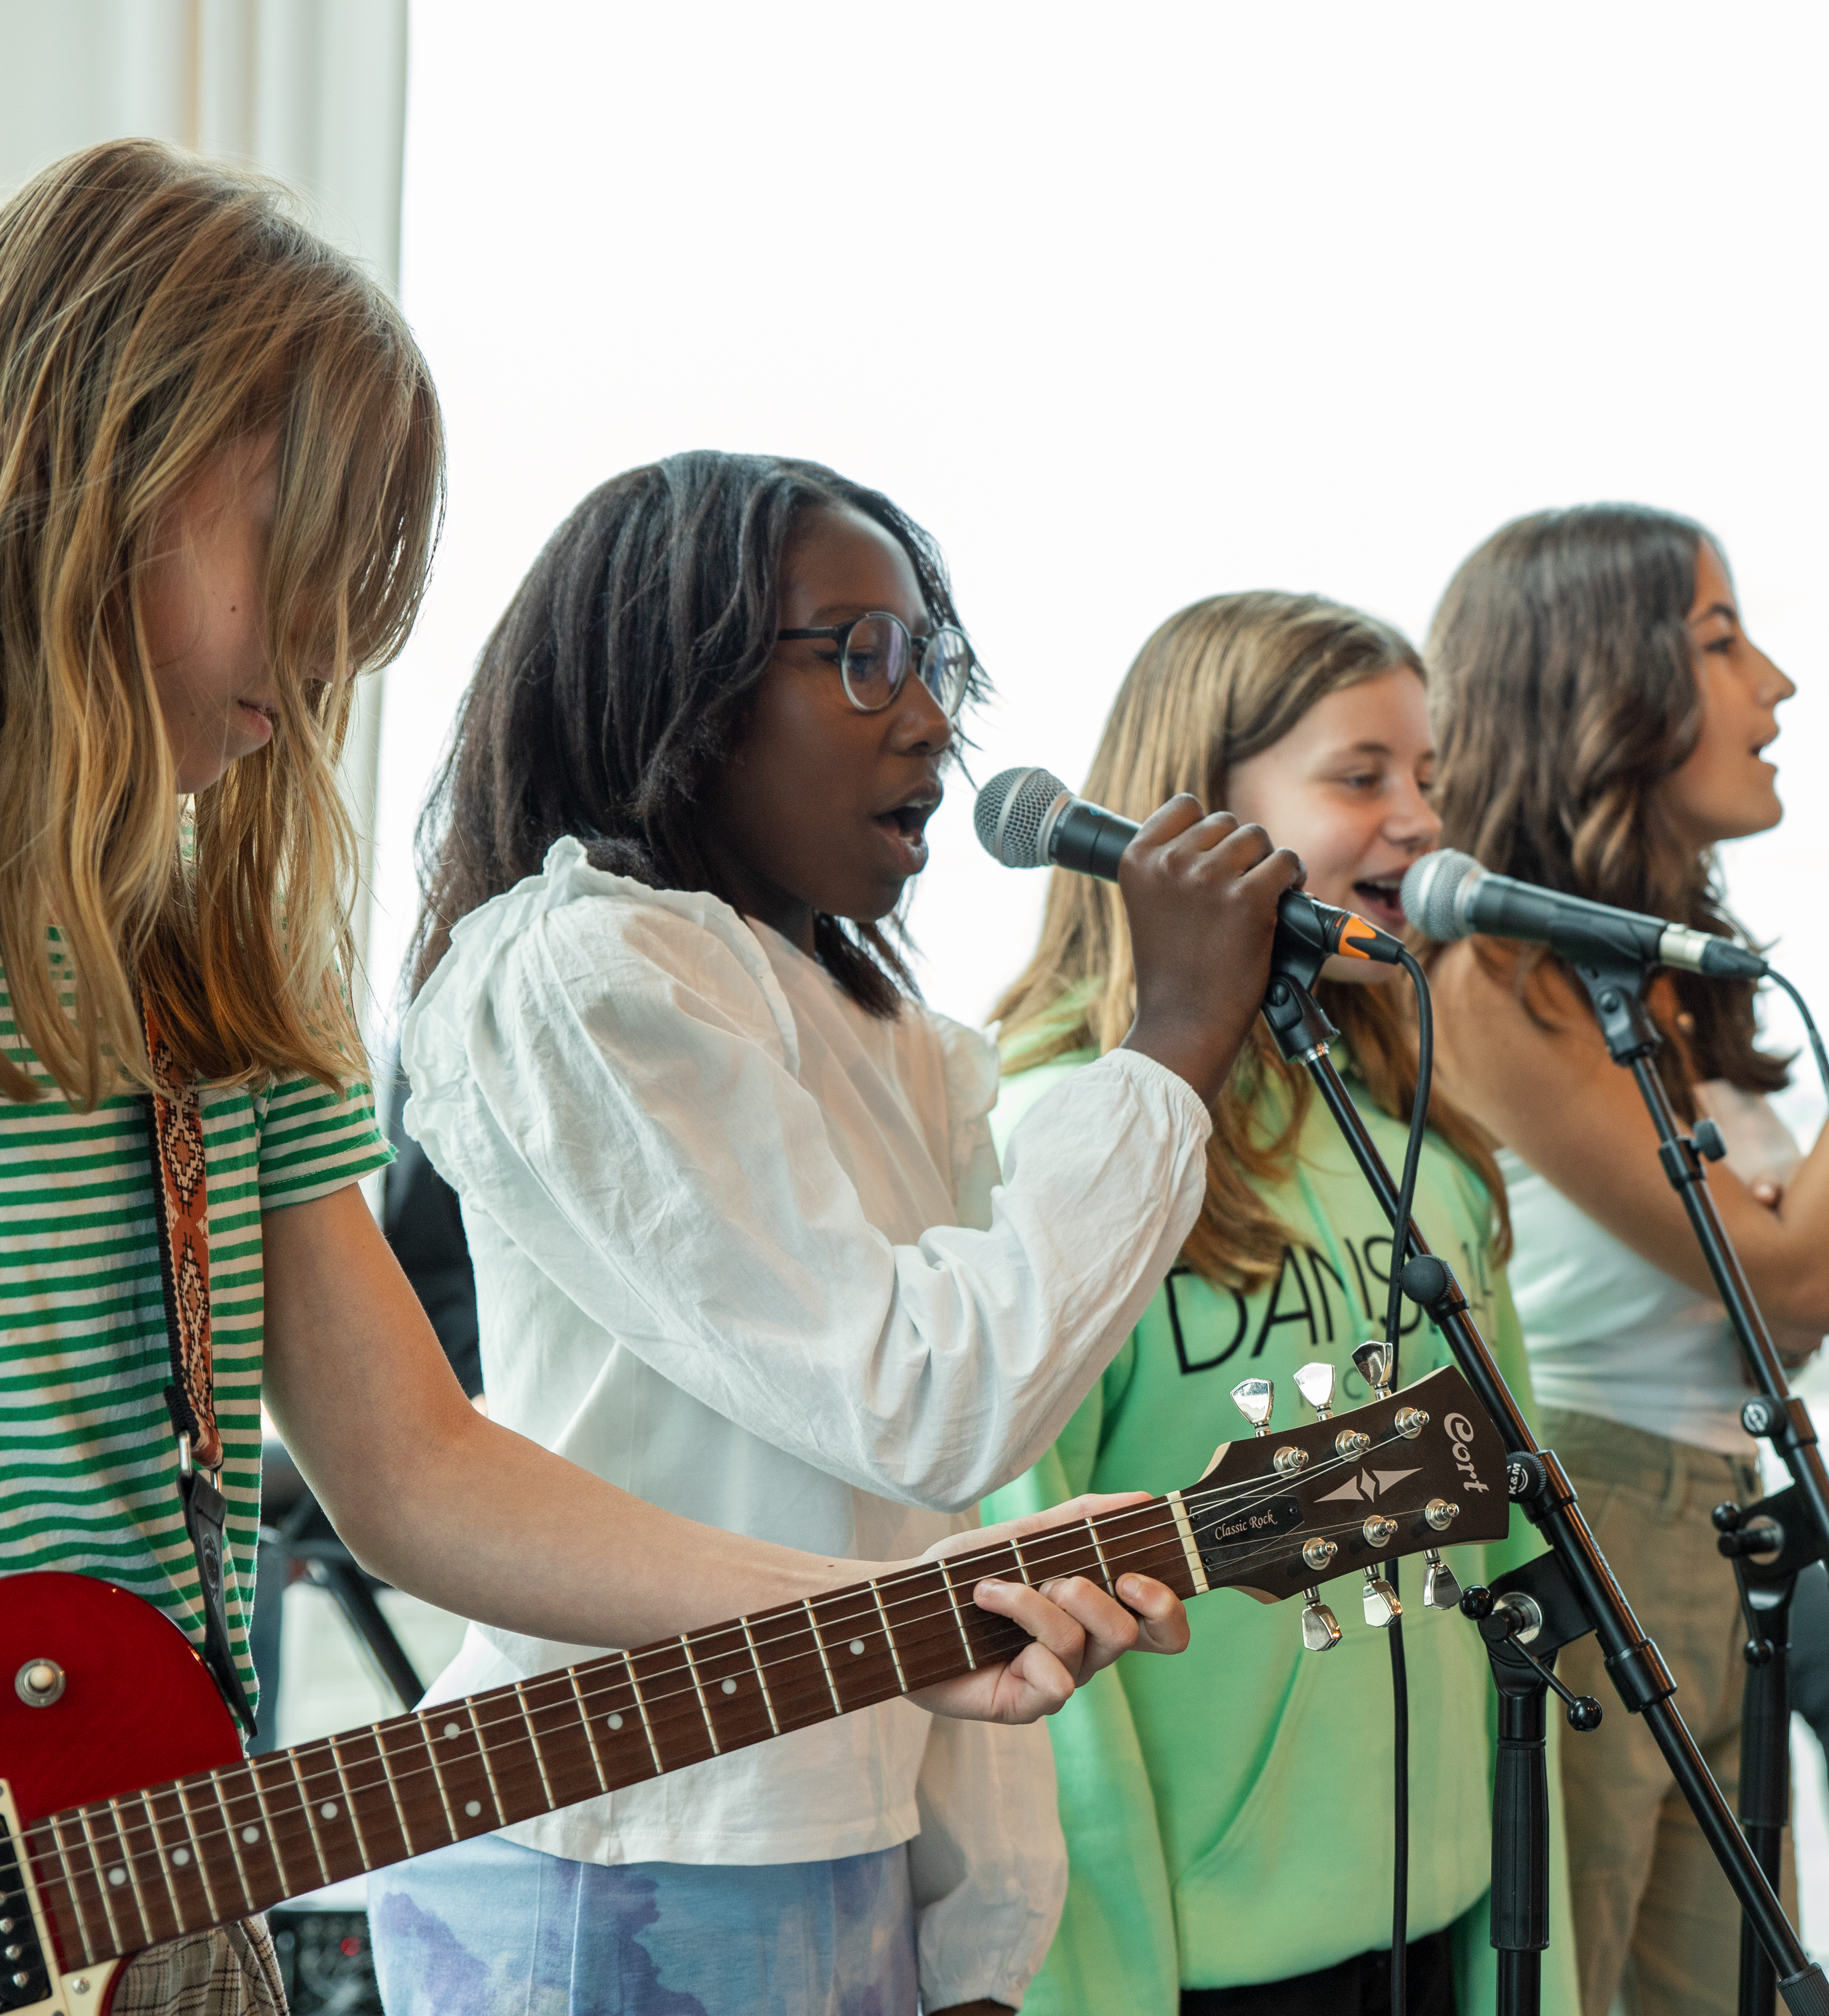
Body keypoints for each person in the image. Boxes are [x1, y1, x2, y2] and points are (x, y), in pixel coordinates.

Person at [0, 142, 1186, 2016]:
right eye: (310, 555)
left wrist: (878, 1628)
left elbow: (415, 1472)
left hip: (148, 1928)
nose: (344, 646)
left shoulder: (204, 986)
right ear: (90, 484)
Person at [366, 453, 1297, 2016]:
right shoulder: (587, 971)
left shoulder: (884, 1027)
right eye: (863, 655)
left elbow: (912, 1535)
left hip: (843, 1840)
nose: (930, 714)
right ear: (677, 688)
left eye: (934, 662)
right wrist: (1178, 1030)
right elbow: (929, 1402)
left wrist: (980, 1926)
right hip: (627, 1838)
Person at [1422, 503, 1829, 2016]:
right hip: (1592, 1514)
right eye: (1719, 641)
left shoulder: (1655, 981)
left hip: (1717, 1523)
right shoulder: (1492, 977)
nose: (1774, 686)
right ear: (1599, 689)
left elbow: (1789, 1288)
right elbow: (1808, 1276)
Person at [982, 590, 1575, 2016]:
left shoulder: (1409, 1137)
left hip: (1442, 1922)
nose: (1419, 820)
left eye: (1426, 779)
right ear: (1194, 820)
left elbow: (1512, 1542)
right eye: (1360, 776)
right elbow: (1024, 1598)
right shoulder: (1054, 1138)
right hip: (1200, 1959)